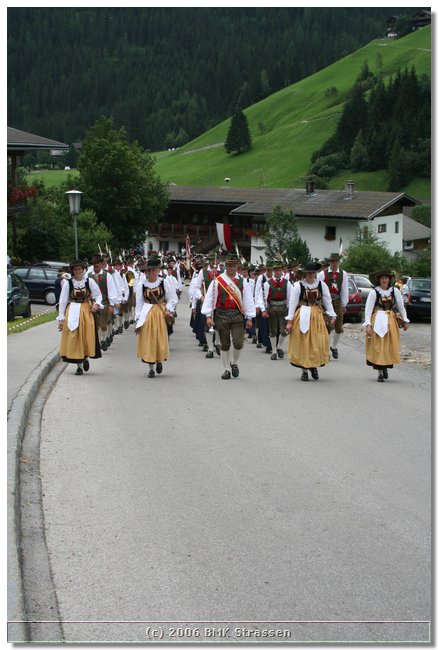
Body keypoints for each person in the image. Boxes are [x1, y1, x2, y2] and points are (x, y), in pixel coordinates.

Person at [201, 252, 255, 379]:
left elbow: (248, 300)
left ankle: (234, 363)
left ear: (237, 267)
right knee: (224, 344)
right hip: (222, 315)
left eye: (234, 265)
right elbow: (210, 299)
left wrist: (249, 317)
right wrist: (208, 315)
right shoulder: (217, 281)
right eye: (229, 265)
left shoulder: (242, 282)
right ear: (226, 266)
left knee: (238, 343)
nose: (231, 268)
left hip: (237, 316)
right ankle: (226, 369)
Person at [286, 261, 336, 381]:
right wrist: (289, 321)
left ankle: (313, 366)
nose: (310, 275)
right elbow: (292, 303)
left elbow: (327, 301)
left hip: (317, 316)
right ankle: (304, 370)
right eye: (308, 273)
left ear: (315, 273)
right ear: (305, 274)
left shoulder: (321, 285)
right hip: (303, 314)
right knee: (304, 342)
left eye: (312, 273)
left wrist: (332, 315)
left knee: (317, 342)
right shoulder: (298, 285)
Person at [57, 260, 103, 375]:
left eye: (80, 269)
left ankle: (85, 357)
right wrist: (61, 318)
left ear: (83, 270)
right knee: (75, 337)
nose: (78, 271)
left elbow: (98, 295)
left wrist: (96, 305)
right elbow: (62, 301)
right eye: (75, 269)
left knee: (86, 335)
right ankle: (79, 365)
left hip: (86, 310)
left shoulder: (89, 281)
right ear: (72, 271)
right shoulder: (68, 283)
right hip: (72, 310)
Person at [135, 257, 178, 378]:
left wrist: (168, 309)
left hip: (160, 313)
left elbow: (172, 299)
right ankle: (151, 368)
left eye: (154, 270)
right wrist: (138, 319)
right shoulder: (142, 285)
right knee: (149, 340)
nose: (151, 272)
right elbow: (139, 303)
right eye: (149, 270)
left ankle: (159, 360)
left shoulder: (164, 282)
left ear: (158, 270)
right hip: (147, 313)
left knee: (159, 338)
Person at [364, 270, 409, 382]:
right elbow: (368, 310)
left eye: (386, 278)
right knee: (378, 345)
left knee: (388, 345)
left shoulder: (395, 291)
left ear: (389, 279)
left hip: (390, 320)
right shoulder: (374, 292)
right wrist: (368, 324)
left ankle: (385, 367)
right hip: (377, 320)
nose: (384, 280)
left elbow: (401, 306)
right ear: (379, 280)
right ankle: (380, 372)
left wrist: (405, 320)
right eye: (382, 278)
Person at [257, 260, 292, 360]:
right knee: (272, 331)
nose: (277, 272)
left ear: (282, 271)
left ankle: (279, 346)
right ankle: (274, 351)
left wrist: (290, 311)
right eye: (276, 270)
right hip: (271, 308)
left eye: (279, 270)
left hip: (283, 308)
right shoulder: (267, 283)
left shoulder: (287, 283)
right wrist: (263, 309)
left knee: (284, 331)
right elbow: (261, 298)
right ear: (273, 271)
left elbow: (290, 298)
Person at [317, 253, 349, 360]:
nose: (334, 263)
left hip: (337, 302)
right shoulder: (322, 274)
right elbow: (318, 289)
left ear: (339, 262)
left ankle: (334, 346)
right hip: (325, 303)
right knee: (326, 327)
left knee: (339, 327)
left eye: (336, 261)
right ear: (329, 262)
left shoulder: (343, 274)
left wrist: (344, 304)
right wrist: (319, 303)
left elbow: (344, 289)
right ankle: (326, 351)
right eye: (332, 261)